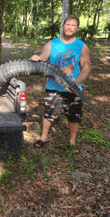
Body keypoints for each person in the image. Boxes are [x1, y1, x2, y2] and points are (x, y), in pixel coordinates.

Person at [30, 15, 91, 151]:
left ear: (77, 28)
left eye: (73, 25)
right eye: (67, 24)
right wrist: (37, 58)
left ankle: (72, 141)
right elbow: (44, 56)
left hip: (73, 88)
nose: (69, 27)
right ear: (63, 26)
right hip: (53, 87)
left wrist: (76, 82)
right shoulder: (52, 44)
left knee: (74, 115)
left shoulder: (82, 46)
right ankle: (43, 137)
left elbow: (86, 68)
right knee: (49, 112)